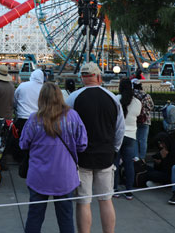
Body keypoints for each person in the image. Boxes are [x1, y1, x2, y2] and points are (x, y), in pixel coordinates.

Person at [20, 82, 88, 233]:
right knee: (66, 218)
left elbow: (23, 144)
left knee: (35, 216)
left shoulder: (33, 119)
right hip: (64, 175)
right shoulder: (73, 117)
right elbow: (82, 144)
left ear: (41, 98)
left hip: (38, 175)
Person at [65, 62, 125, 233]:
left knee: (83, 201)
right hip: (106, 155)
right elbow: (119, 129)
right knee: (106, 200)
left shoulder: (73, 98)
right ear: (99, 77)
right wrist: (114, 149)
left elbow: (67, 129)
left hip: (81, 156)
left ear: (82, 78)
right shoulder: (112, 99)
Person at [114, 78, 141, 199]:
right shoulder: (137, 102)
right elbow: (138, 115)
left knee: (115, 163)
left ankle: (115, 189)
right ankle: (129, 190)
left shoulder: (115, 99)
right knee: (129, 164)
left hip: (117, 135)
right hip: (131, 136)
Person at [14, 68, 45, 135]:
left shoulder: (23, 85)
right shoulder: (44, 88)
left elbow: (15, 99)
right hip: (38, 120)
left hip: (22, 119)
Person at [132, 78, 154, 161]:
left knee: (135, 139)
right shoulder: (147, 95)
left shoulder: (132, 95)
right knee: (143, 140)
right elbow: (152, 106)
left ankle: (136, 157)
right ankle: (142, 158)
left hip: (135, 119)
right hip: (146, 120)